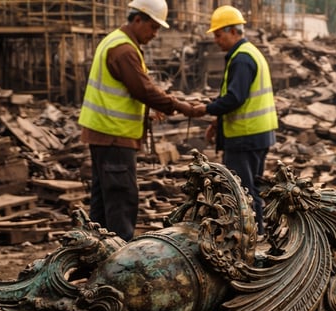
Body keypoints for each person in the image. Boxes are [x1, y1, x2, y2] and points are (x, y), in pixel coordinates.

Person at [78, 0, 201, 241]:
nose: (155, 34)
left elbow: (126, 92)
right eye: (153, 28)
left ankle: (95, 259)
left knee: (104, 203)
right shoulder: (124, 50)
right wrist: (181, 106)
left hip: (105, 135)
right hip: (115, 137)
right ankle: (118, 266)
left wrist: (147, 112)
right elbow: (142, 90)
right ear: (137, 20)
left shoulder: (115, 41)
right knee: (122, 201)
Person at [193, 5, 278, 234]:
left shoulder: (241, 59)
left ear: (233, 31)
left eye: (219, 35)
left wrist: (206, 109)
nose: (216, 41)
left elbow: (235, 98)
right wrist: (216, 122)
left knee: (242, 194)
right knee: (252, 192)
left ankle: (250, 242)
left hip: (245, 137)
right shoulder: (250, 53)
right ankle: (257, 237)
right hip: (257, 135)